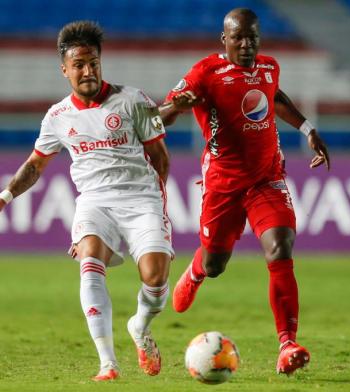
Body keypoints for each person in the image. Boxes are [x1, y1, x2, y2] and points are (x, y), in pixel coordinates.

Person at [159, 8, 330, 375]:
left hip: (267, 178)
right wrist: (176, 106)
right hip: (222, 185)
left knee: (280, 246)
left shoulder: (268, 66)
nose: (247, 44)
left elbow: (276, 96)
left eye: (253, 37)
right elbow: (166, 112)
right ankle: (196, 270)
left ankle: (287, 344)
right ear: (225, 39)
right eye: (239, 37)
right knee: (216, 264)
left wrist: (307, 128)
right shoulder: (205, 72)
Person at [0, 21, 174, 381]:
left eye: (93, 62)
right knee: (89, 258)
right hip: (94, 201)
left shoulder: (132, 100)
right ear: (64, 69)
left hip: (141, 198)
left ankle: (140, 326)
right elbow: (35, 164)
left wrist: (157, 200)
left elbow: (160, 156)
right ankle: (107, 363)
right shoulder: (58, 117)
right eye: (78, 64)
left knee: (155, 280)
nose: (88, 70)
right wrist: (6, 195)